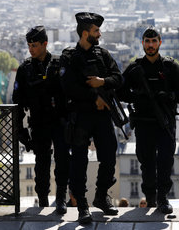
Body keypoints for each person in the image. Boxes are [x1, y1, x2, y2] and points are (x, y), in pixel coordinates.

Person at [118, 26, 179, 214]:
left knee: (165, 161)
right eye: (147, 42)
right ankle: (150, 198)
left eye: (153, 41)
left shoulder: (169, 66)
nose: (150, 45)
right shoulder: (135, 68)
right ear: (142, 44)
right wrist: (137, 95)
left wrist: (169, 96)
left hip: (165, 122)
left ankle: (162, 198)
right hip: (143, 123)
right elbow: (121, 91)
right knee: (147, 163)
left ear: (159, 42)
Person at [61, 12, 122, 224]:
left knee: (109, 156)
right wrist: (93, 97)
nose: (100, 34)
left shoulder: (103, 55)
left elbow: (118, 79)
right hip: (81, 116)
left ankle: (101, 196)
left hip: (103, 116)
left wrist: (101, 81)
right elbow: (68, 88)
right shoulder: (69, 57)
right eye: (96, 31)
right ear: (86, 33)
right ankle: (82, 206)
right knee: (79, 161)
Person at [12, 25, 70, 214]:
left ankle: (61, 198)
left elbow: (71, 95)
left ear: (45, 44)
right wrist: (19, 129)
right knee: (41, 164)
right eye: (29, 45)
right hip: (38, 122)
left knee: (62, 161)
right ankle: (43, 200)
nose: (31, 49)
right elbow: (18, 103)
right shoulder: (25, 69)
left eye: (35, 45)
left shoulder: (59, 65)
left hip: (59, 121)